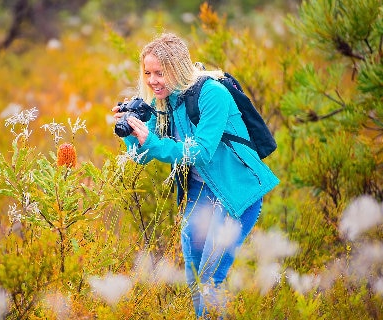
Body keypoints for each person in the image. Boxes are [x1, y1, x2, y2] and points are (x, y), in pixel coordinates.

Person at [112, 33, 279, 318]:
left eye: (160, 73)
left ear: (177, 68)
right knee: (194, 278)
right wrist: (131, 131)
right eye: (148, 73)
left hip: (234, 195)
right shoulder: (162, 101)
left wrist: (152, 142)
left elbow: (201, 152)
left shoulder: (213, 93)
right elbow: (142, 155)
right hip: (199, 196)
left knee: (210, 281)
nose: (153, 80)